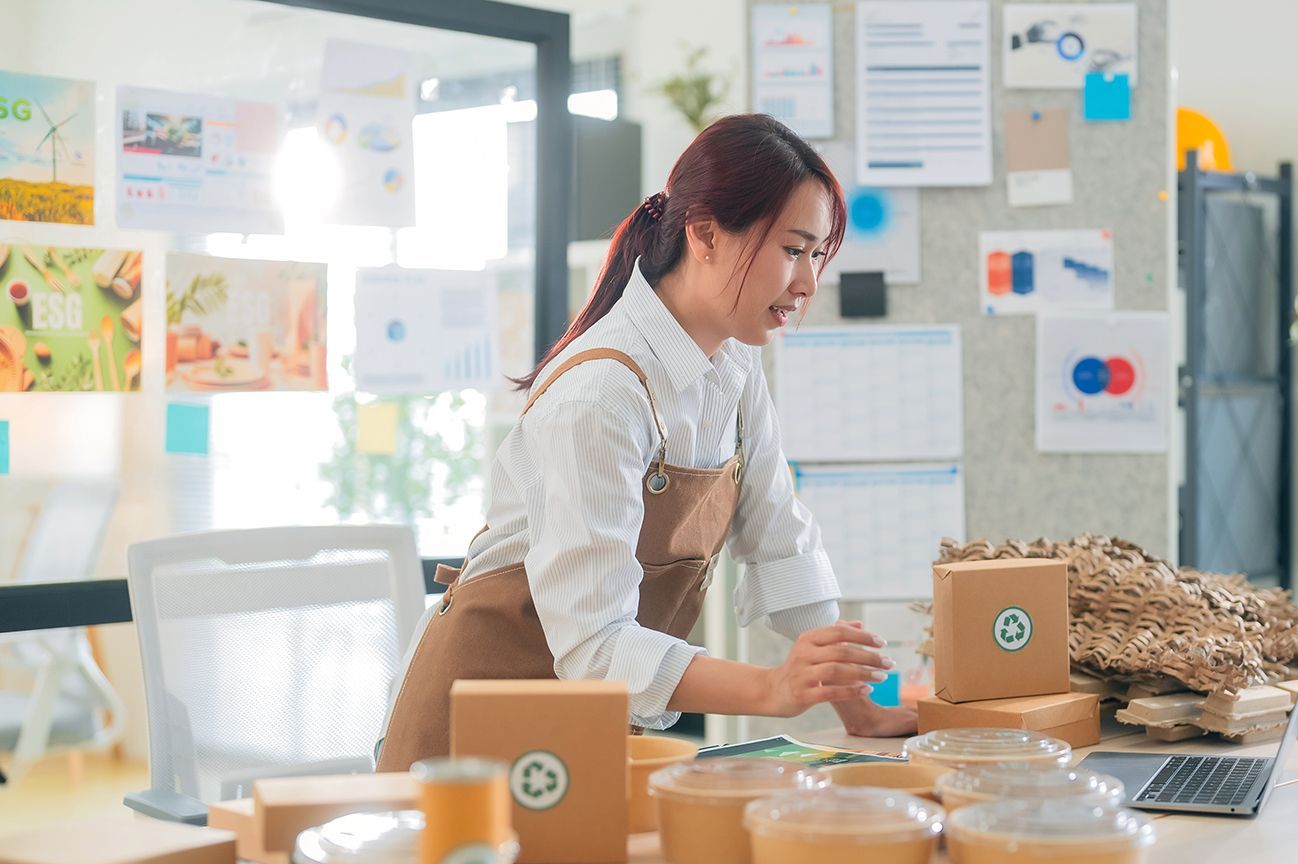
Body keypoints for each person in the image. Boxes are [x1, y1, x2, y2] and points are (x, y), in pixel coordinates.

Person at [377, 113, 915, 773]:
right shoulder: (600, 394)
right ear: (707, 235)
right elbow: (596, 646)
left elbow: (782, 541)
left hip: (578, 735)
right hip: (463, 749)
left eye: (815, 255)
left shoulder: (734, 365)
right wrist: (772, 687)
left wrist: (854, 701)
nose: (806, 284)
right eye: (792, 250)